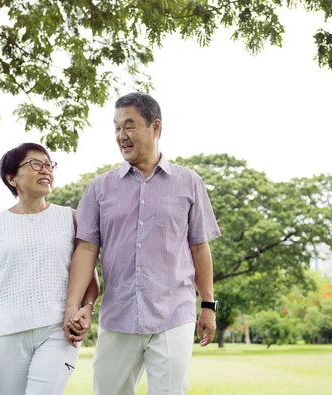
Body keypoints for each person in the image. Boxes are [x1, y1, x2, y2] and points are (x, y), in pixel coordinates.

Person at [64, 92, 221, 395]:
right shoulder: (99, 188)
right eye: (116, 127)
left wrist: (208, 306)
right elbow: (85, 251)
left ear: (155, 127)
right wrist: (74, 306)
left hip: (173, 314)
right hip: (118, 314)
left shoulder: (189, 183)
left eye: (130, 126)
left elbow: (200, 248)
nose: (121, 135)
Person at [0, 142, 99, 394]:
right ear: (12, 178)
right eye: (35, 164)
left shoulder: (71, 218)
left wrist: (87, 307)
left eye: (49, 165)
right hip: (5, 335)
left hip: (57, 332)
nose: (45, 170)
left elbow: (89, 278)